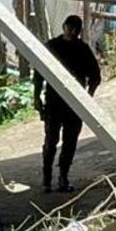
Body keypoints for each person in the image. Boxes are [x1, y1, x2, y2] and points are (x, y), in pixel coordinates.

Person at [33, 14, 101, 192]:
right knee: (51, 141)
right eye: (69, 27)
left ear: (79, 31)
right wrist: (36, 97)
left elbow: (95, 76)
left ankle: (63, 178)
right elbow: (39, 73)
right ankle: (47, 180)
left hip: (74, 104)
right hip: (54, 102)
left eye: (75, 28)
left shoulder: (82, 49)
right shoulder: (52, 46)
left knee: (69, 142)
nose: (72, 31)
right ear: (64, 26)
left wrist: (88, 98)